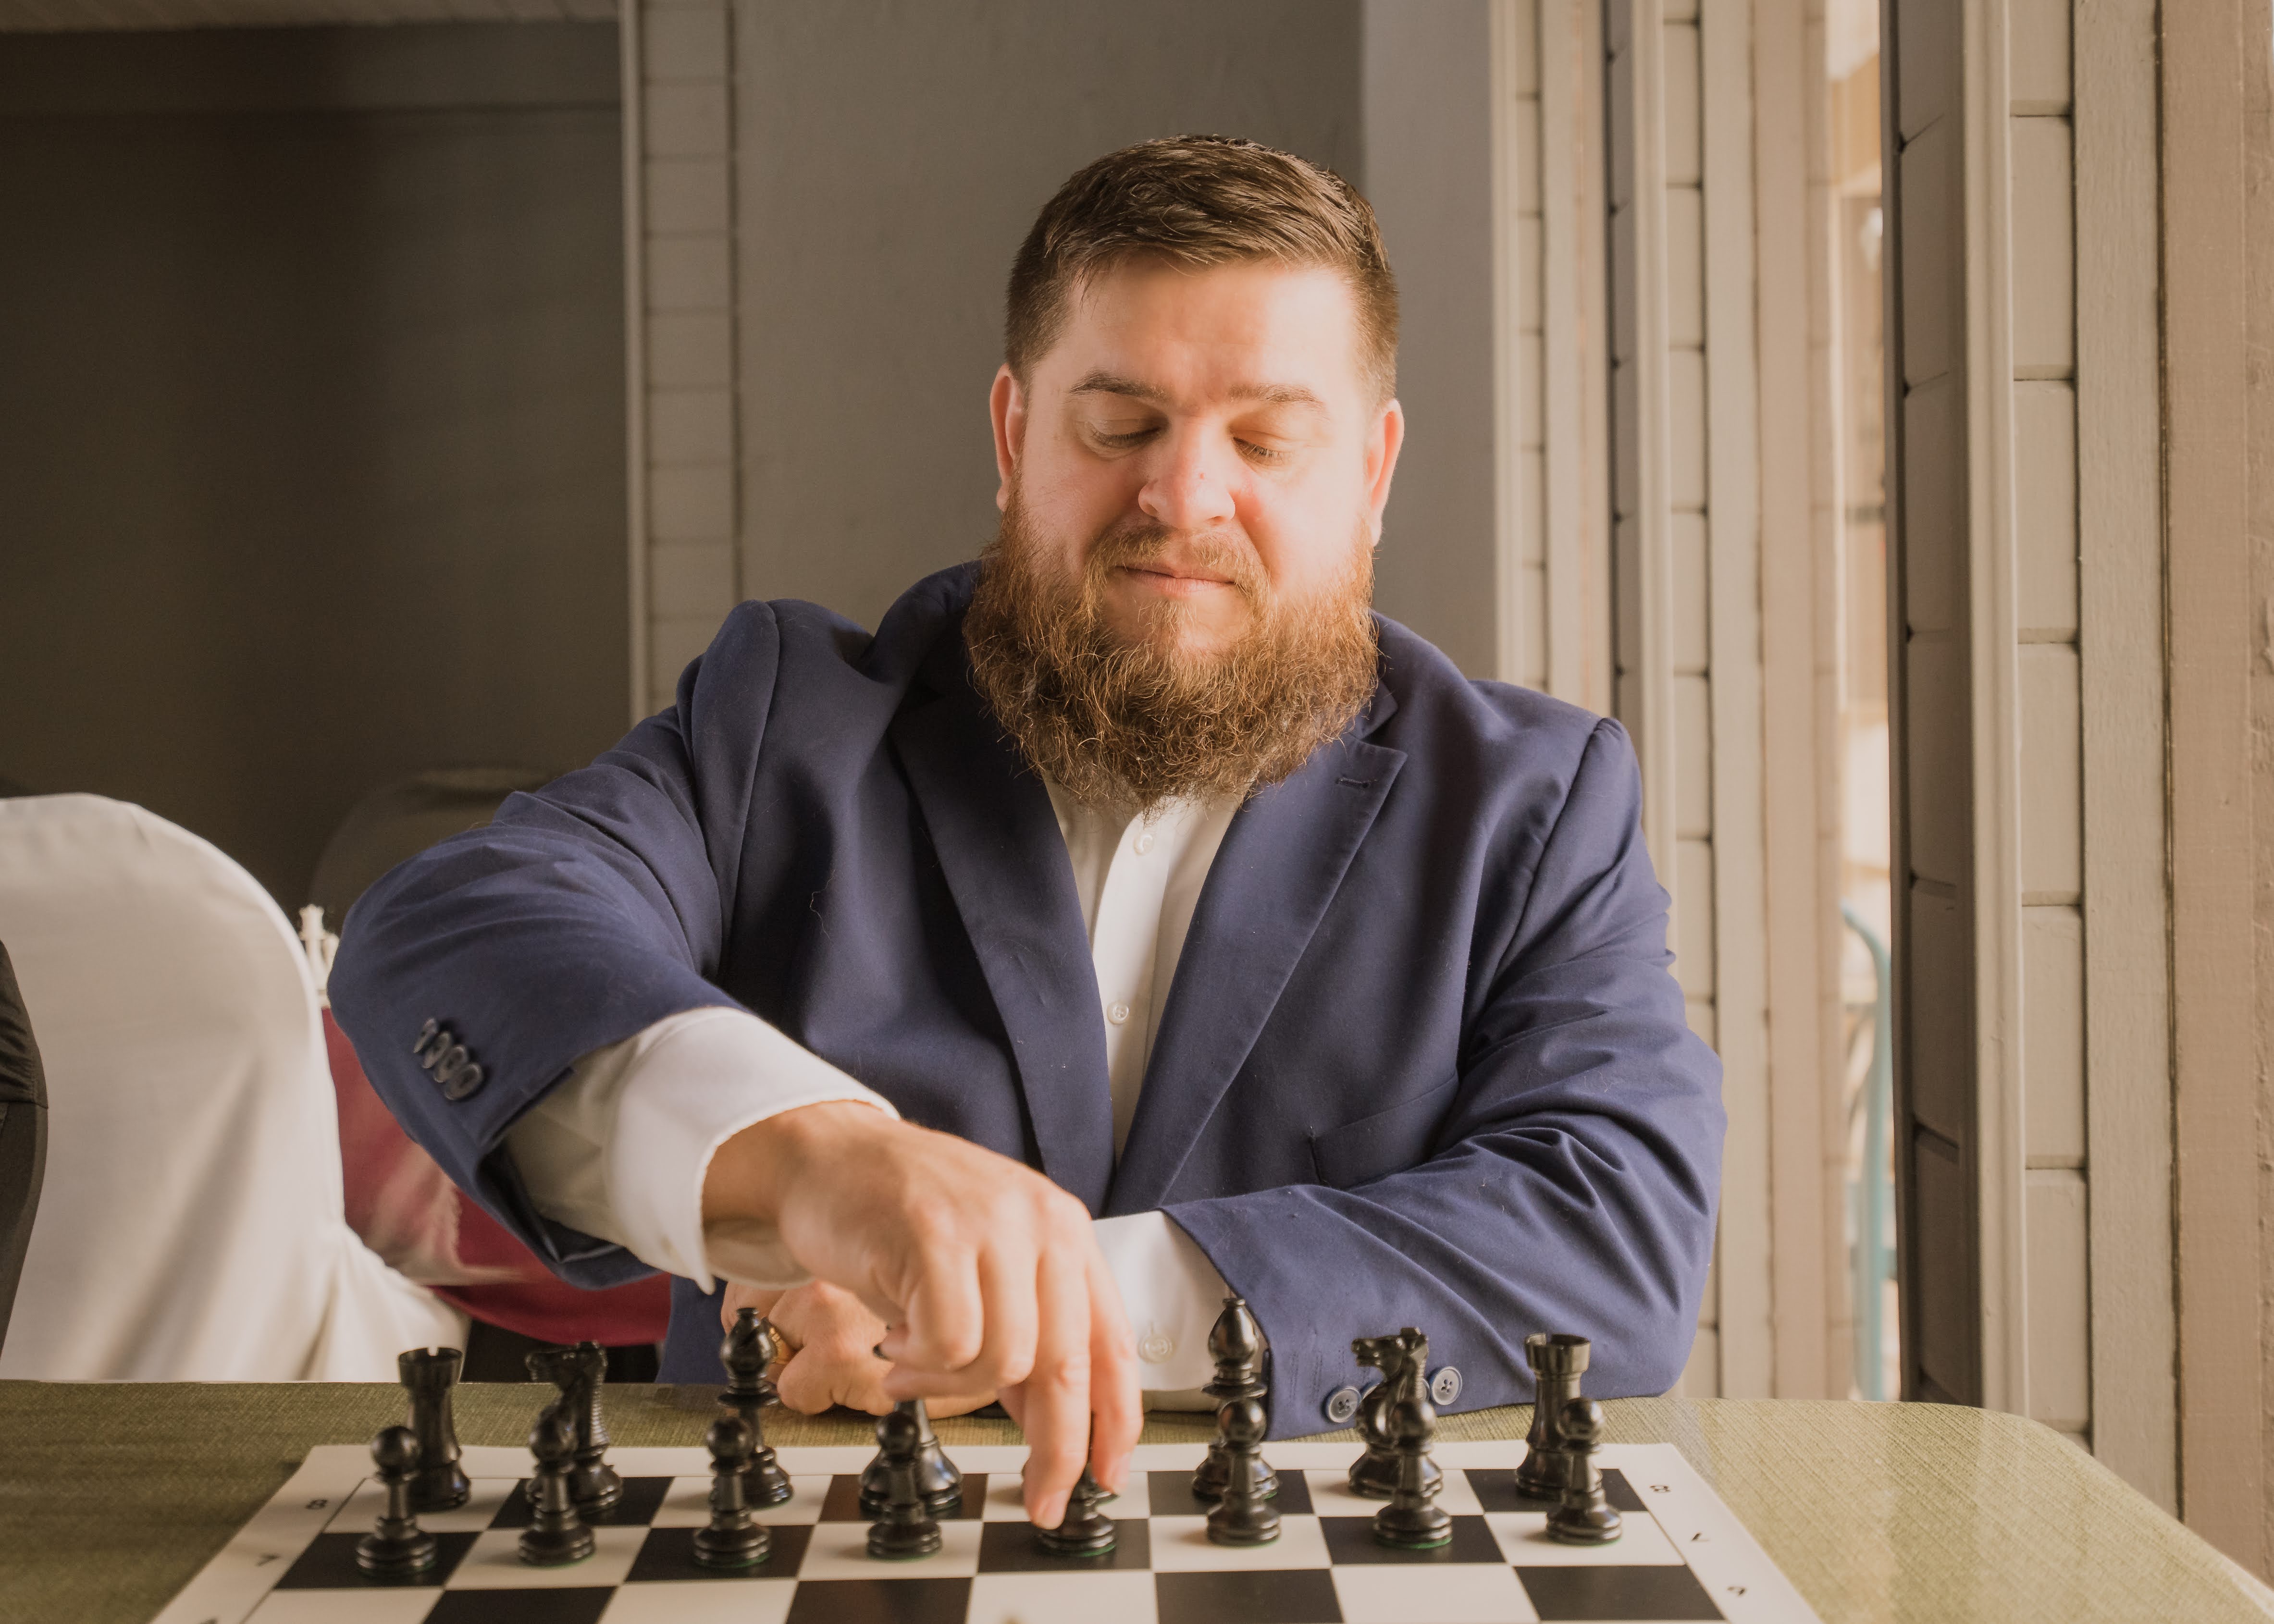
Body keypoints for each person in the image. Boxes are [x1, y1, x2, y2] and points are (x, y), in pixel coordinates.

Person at [331, 135, 1723, 1532]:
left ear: (1369, 472)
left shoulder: (1533, 801)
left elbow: (1610, 1230)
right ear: (1012, 438)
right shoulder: (781, 721)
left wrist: (1025, 1300)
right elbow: (453, 927)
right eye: (1119, 424)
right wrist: (814, 1161)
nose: (1182, 499)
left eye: (1264, 437)